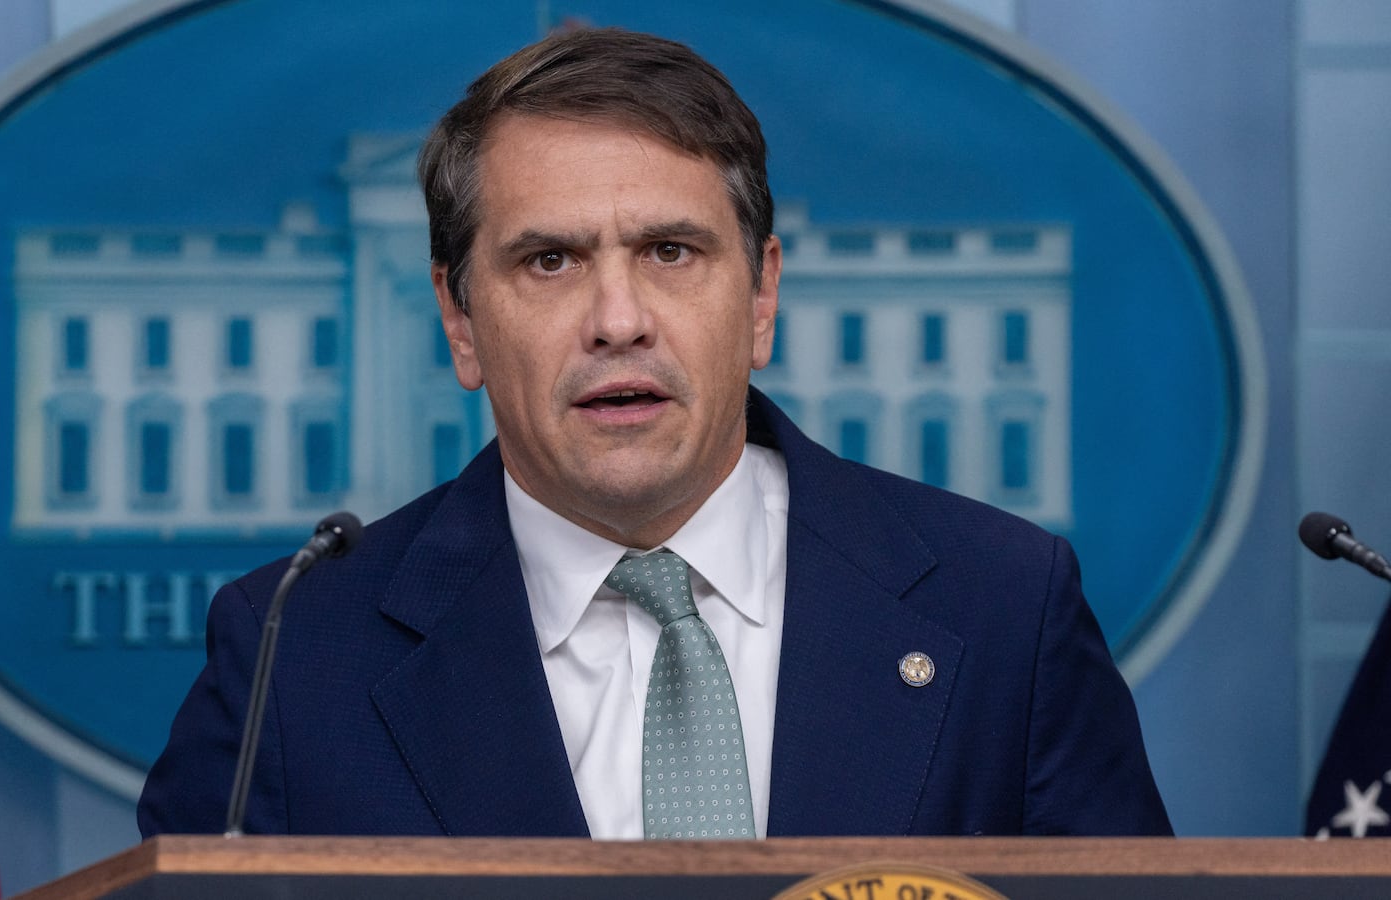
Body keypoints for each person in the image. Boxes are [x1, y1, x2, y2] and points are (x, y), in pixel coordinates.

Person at [138, 27, 1172, 839]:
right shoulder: (295, 652)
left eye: (670, 251)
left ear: (761, 294)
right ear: (461, 322)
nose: (618, 318)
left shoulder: (1001, 606)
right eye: (549, 262)